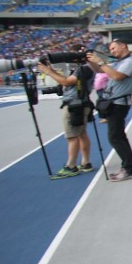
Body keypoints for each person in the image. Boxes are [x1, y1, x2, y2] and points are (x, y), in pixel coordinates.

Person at [38, 46, 94, 179]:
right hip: (80, 104)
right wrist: (50, 69)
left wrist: (47, 71)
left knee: (72, 136)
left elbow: (66, 82)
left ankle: (71, 166)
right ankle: (85, 162)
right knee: (81, 134)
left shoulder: (84, 68)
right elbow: (67, 82)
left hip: (75, 105)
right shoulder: (85, 68)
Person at [87, 39, 132, 182]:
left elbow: (117, 76)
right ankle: (128, 167)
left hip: (119, 103)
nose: (112, 51)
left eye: (114, 48)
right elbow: (99, 69)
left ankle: (129, 169)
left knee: (115, 137)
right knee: (118, 137)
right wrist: (90, 60)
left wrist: (101, 62)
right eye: (110, 49)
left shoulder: (130, 61)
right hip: (113, 102)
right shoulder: (117, 62)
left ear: (123, 45)